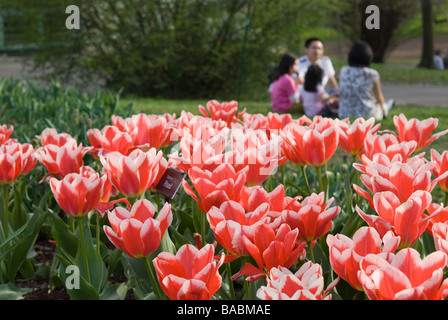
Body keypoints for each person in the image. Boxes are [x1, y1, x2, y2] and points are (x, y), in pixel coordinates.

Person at [338, 41, 394, 120]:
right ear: (368, 57)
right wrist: (384, 113)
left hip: (344, 112)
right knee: (382, 104)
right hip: (367, 114)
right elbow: (379, 98)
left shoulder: (344, 70)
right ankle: (388, 106)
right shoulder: (372, 74)